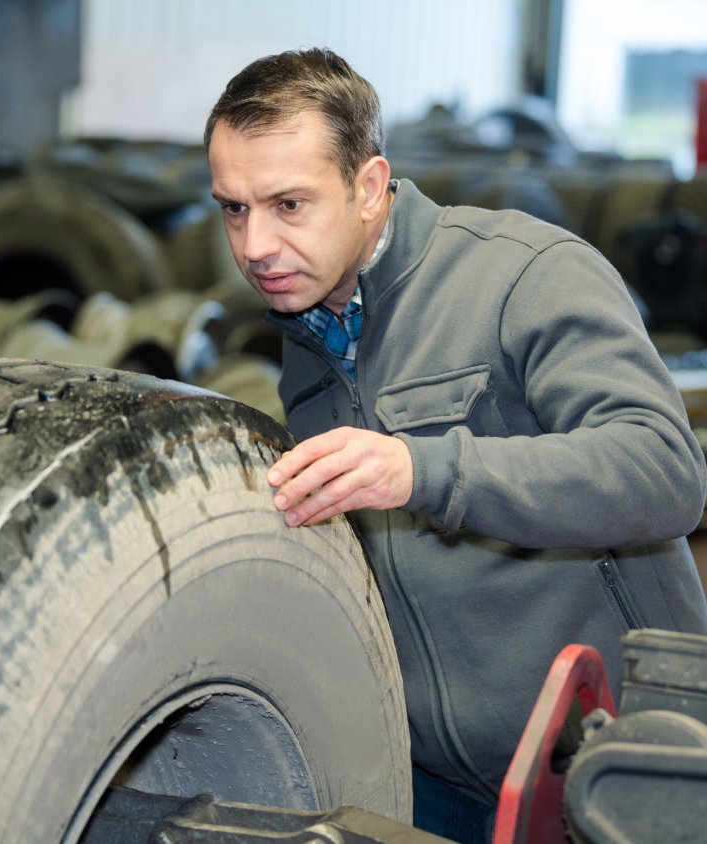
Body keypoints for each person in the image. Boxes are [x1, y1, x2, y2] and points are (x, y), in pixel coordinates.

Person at [205, 48, 707, 844]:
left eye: (288, 205)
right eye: (234, 208)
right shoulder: (307, 340)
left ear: (369, 188)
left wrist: (424, 468)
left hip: (614, 766)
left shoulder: (525, 275)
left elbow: (665, 472)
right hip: (436, 785)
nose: (256, 243)